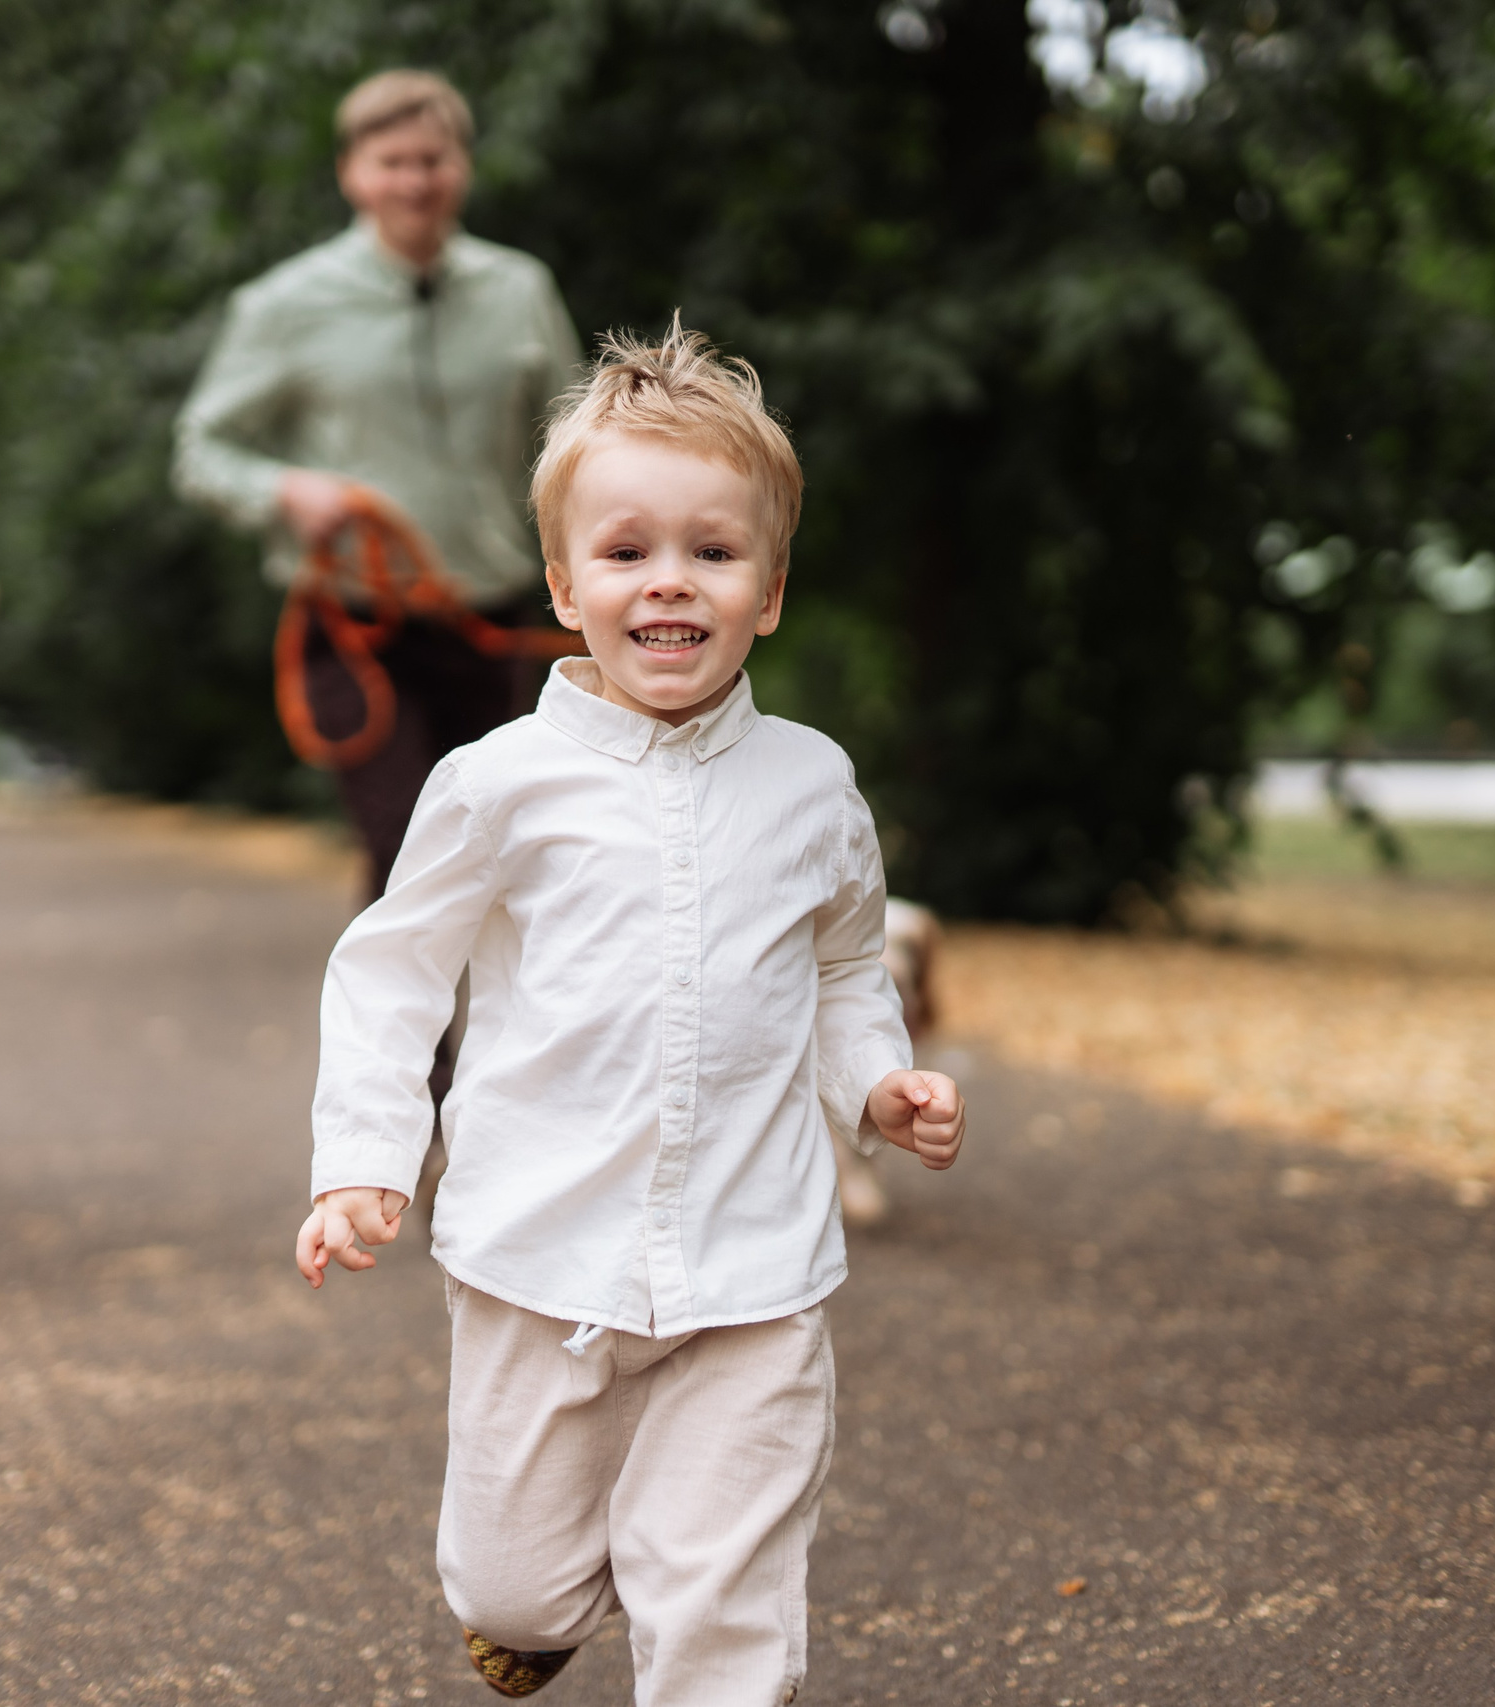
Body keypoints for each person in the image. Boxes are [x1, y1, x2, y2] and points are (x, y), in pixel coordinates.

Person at [295, 323, 968, 1705]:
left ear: (769, 591)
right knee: (514, 1582)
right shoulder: (500, 783)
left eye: (713, 553)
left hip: (754, 1263)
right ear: (563, 581)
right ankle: (535, 1607)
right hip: (540, 1251)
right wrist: (364, 1153)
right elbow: (393, 968)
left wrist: (879, 1083)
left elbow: (844, 966)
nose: (671, 580)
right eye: (627, 551)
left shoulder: (812, 785)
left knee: (718, 1595)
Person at [173, 69, 581, 897]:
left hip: (493, 622)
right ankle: (399, 1032)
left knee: (505, 860)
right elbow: (200, 448)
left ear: (462, 168)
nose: (415, 180)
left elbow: (579, 443)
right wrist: (285, 490)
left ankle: (492, 1031)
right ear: (352, 173)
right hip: (355, 624)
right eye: (392, 160)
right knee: (412, 855)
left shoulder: (520, 289)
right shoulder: (286, 303)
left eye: (432, 159)